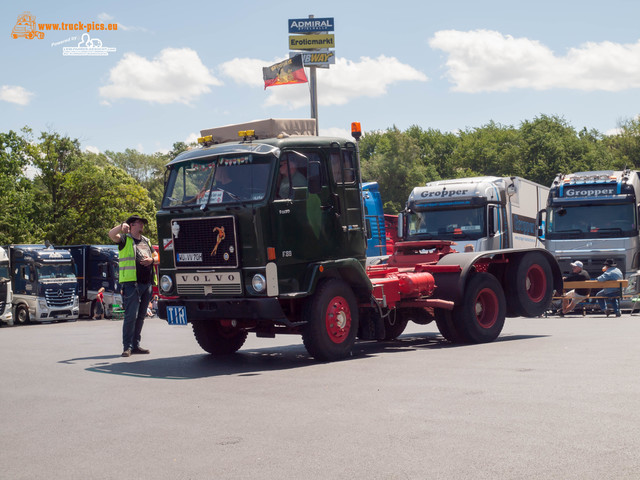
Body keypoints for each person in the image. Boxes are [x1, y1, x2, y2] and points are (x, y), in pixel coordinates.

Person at [108, 214, 156, 357]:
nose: (141, 225)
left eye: (142, 223)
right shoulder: (124, 239)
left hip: (146, 284)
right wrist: (121, 226)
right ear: (131, 225)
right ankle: (127, 347)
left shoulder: (146, 241)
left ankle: (136, 345)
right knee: (131, 316)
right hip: (131, 284)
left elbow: (157, 257)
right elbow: (111, 234)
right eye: (139, 223)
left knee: (141, 316)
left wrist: (151, 260)